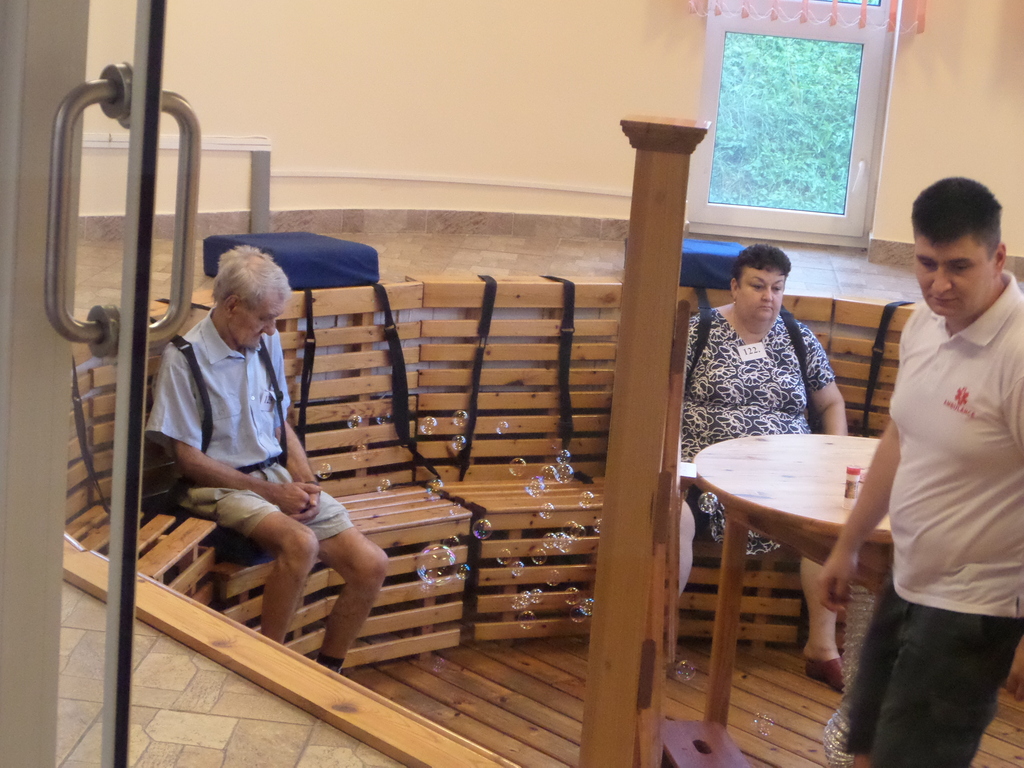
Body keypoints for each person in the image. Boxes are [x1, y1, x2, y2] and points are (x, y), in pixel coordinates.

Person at [819, 177, 1024, 768]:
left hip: (977, 609)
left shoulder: (1017, 354)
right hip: (906, 580)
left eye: (959, 266)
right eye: (927, 263)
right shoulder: (924, 325)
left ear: (998, 258)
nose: (939, 284)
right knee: (863, 751)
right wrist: (848, 544)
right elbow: (900, 438)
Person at [147, 246, 388, 673]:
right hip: (216, 487)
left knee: (372, 564)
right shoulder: (183, 360)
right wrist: (273, 494)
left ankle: (329, 670)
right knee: (301, 542)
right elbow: (188, 460)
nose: (273, 329)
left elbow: (279, 421)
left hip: (272, 477)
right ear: (232, 305)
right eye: (265, 318)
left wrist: (305, 479)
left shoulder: (264, 343)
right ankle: (267, 669)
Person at [681, 243, 849, 691]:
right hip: (707, 477)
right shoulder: (700, 332)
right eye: (757, 286)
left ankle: (822, 650)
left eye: (777, 288)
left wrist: (835, 456)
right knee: (673, 518)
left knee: (830, 525)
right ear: (734, 287)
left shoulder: (797, 337)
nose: (768, 297)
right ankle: (657, 638)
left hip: (788, 478)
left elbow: (831, 402)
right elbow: (662, 397)